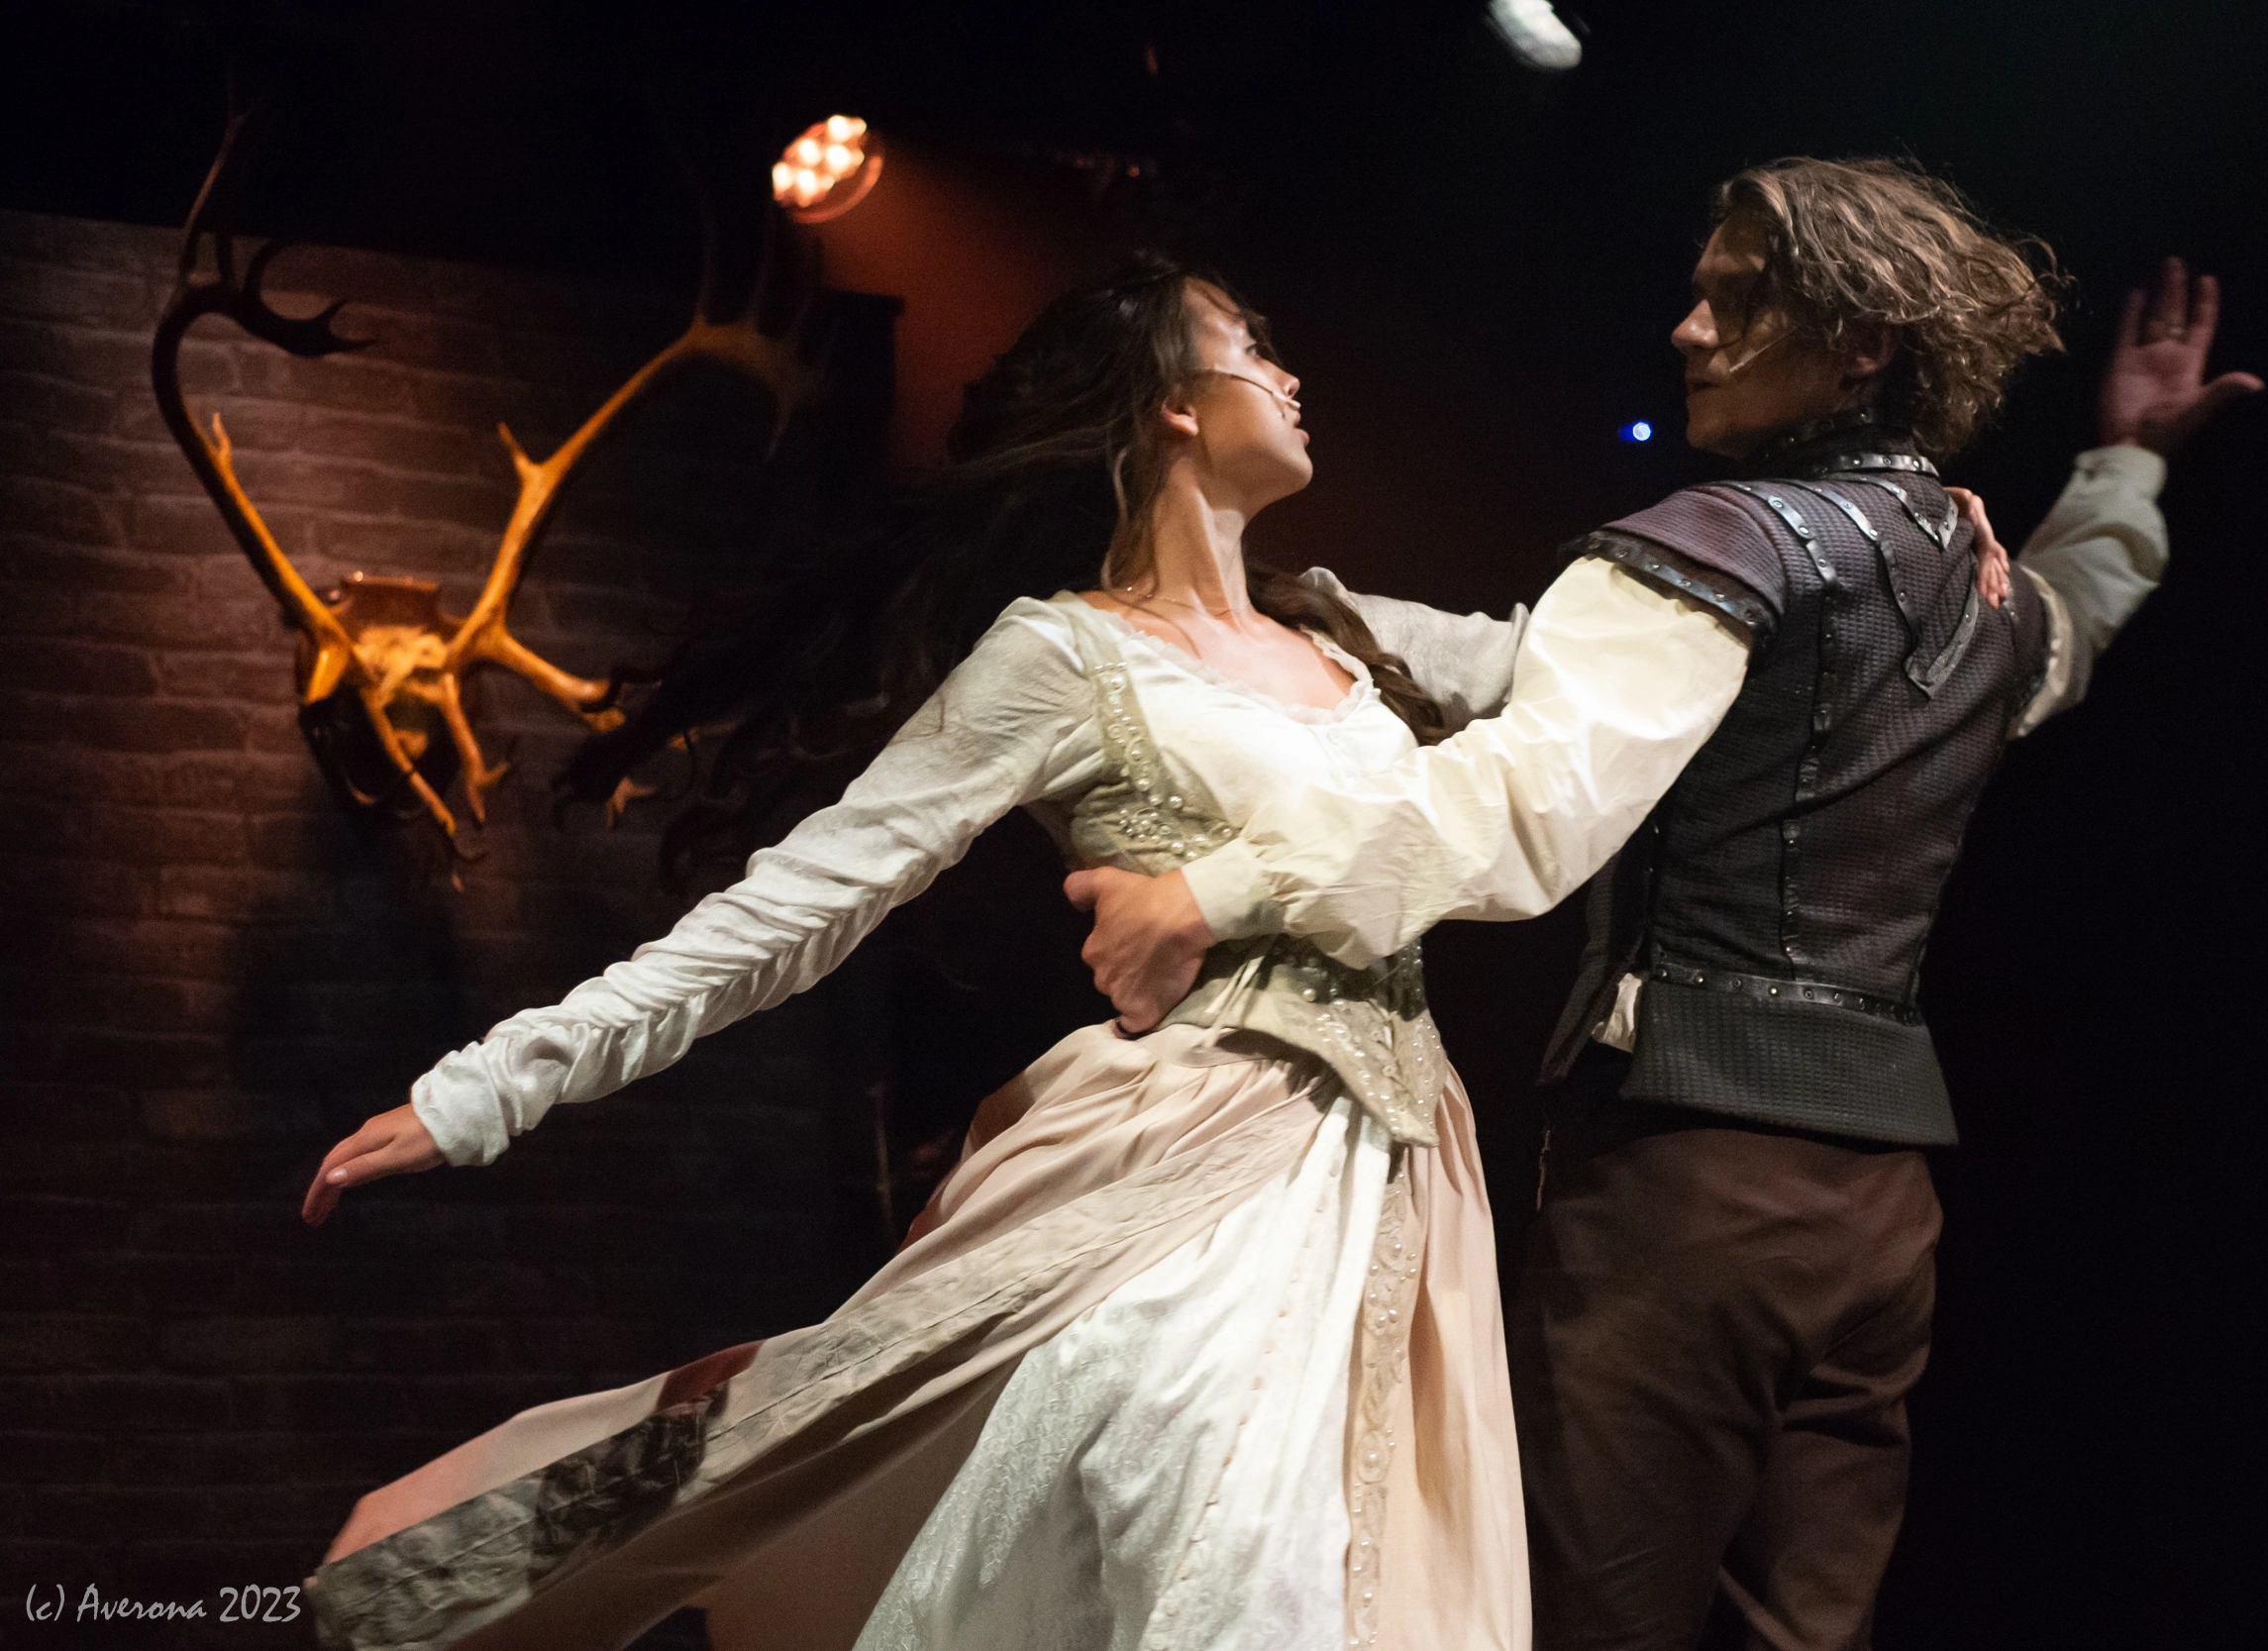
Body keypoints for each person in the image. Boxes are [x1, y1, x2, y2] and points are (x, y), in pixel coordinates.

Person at [1066, 158, 2259, 1650]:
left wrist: (1215, 888)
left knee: (1590, 1620)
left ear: (1862, 341)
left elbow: (1515, 807)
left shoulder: (1723, 542)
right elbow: (2073, 618)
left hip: (1690, 1183)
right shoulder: (1975, 580)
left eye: (1738, 299)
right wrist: (2128, 466)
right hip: (1883, 1209)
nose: (1689, 330)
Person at [296, 258, 1536, 1651]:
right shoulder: (1065, 656)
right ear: (1171, 402)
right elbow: (801, 902)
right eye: (1254, 345)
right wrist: (489, 1085)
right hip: (1186, 1170)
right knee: (1235, 1581)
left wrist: (1733, 524)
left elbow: (1593, 677)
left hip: (1403, 1163)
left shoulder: (1353, 638)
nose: (1293, 376)